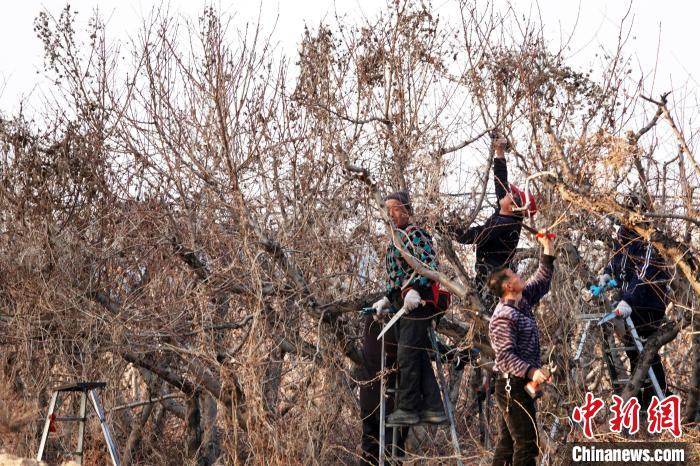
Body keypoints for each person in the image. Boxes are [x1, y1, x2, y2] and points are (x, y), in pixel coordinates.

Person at [371, 190, 447, 426]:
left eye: (395, 209)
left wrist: (416, 289)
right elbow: (396, 277)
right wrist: (387, 298)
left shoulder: (415, 234)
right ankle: (434, 407)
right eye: (387, 210)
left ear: (406, 210)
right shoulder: (393, 240)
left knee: (406, 354)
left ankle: (407, 408)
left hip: (418, 302)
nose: (391, 214)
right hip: (402, 304)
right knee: (416, 354)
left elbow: (429, 265)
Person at [442, 136, 536, 315]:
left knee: (489, 318)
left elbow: (470, 236)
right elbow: (501, 183)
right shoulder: (508, 214)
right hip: (489, 278)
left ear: (514, 206)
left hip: (492, 285)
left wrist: (442, 227)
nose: (506, 193)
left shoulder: (504, 225)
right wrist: (499, 152)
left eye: (510, 195)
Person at [488, 232, 555, 466]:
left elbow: (542, 280)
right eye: (514, 275)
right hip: (511, 386)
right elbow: (505, 357)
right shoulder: (503, 316)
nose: (520, 275)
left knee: (507, 445)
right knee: (527, 444)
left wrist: (547, 246)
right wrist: (532, 372)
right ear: (508, 286)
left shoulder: (521, 302)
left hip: (518, 385)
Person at [598, 195, 671, 409]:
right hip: (629, 301)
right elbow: (616, 262)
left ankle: (658, 399)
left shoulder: (650, 240)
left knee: (645, 350)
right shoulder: (622, 238)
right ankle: (643, 400)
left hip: (649, 304)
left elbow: (644, 276)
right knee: (633, 351)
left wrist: (627, 300)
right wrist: (606, 274)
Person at [359, 314, 407, 465]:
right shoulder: (393, 319)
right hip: (387, 400)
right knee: (391, 450)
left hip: (368, 397)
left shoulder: (372, 318)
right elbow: (411, 350)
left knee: (370, 448)